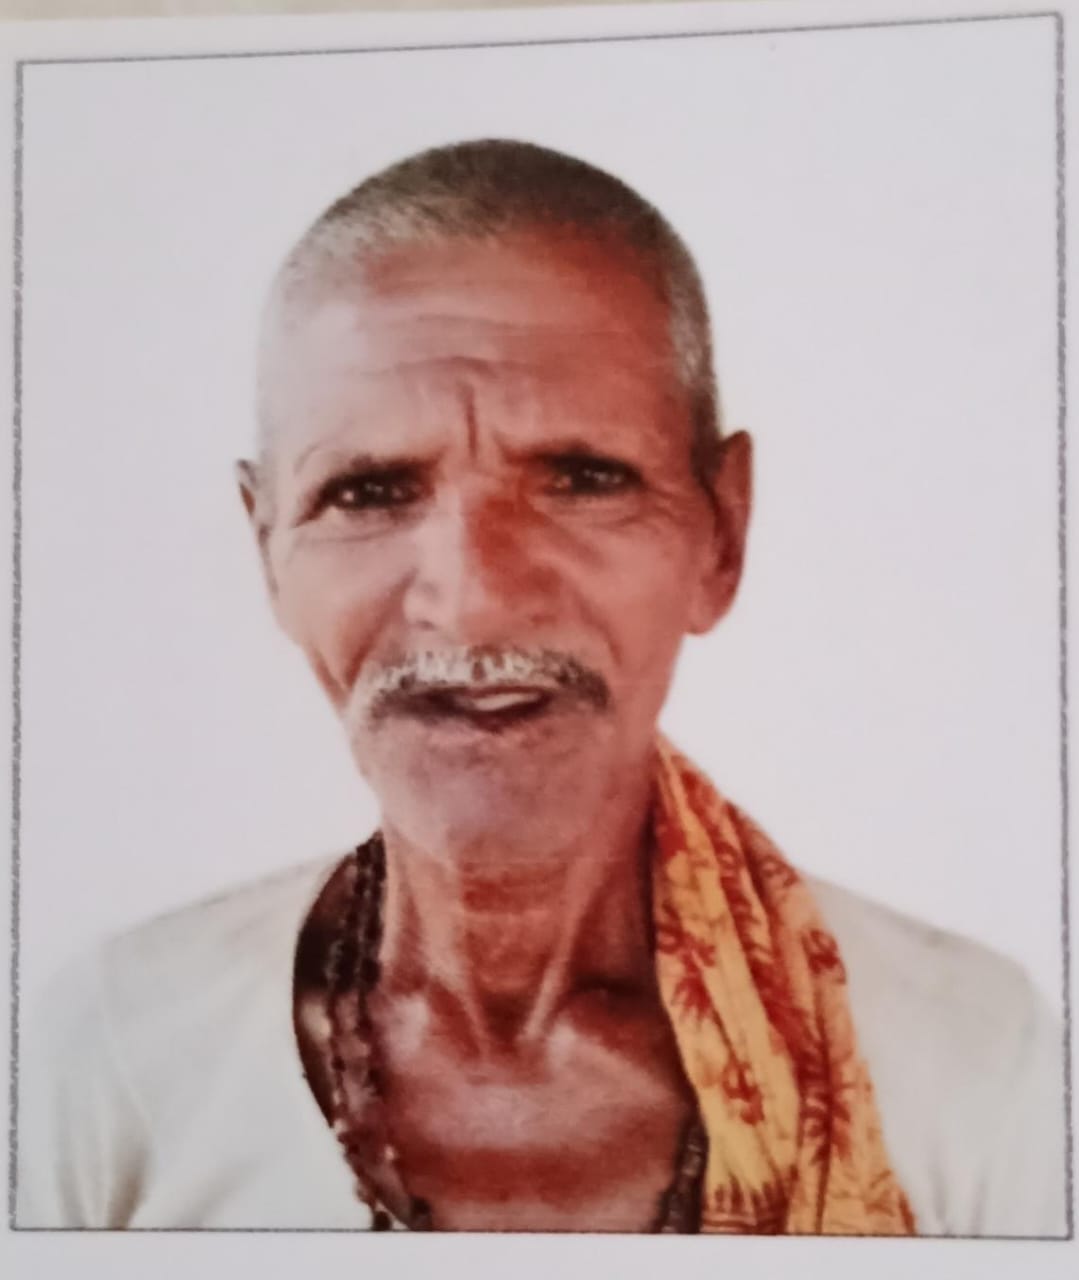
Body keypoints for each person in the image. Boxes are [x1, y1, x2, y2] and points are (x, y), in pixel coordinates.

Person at [16, 140, 1067, 1235]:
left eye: (583, 478)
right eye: (367, 491)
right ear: (267, 548)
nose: (473, 601)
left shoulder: (971, 1071)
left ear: (721, 535)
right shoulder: (114, 1061)